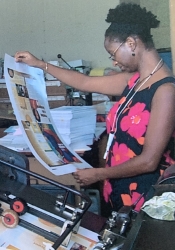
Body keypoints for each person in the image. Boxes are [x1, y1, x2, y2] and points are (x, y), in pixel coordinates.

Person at [15, 3, 175, 217]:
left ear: (131, 43)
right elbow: (85, 82)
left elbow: (149, 161)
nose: (114, 61)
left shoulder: (165, 91)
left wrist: (98, 174)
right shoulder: (135, 80)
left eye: (113, 53)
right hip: (118, 188)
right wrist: (40, 65)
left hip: (143, 198)